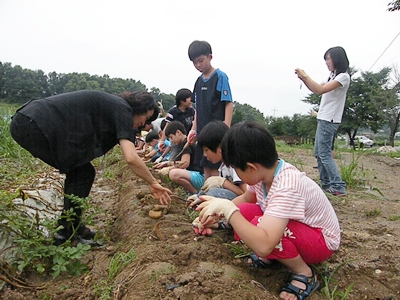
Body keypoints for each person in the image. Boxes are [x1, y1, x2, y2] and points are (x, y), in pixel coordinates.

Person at [195, 121, 340, 300]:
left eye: (236, 169)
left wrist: (230, 211)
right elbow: (246, 200)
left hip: (321, 241)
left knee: (259, 226)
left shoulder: (286, 185)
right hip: (298, 229)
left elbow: (264, 245)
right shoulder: (265, 175)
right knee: (246, 211)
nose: (236, 174)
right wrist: (217, 213)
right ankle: (276, 255)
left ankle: (305, 274)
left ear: (251, 167)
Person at [9, 90, 172, 246]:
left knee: (81, 172)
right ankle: (66, 233)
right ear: (140, 108)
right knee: (82, 174)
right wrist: (152, 182)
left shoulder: (114, 107)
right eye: (146, 117)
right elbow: (131, 157)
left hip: (29, 120)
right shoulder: (123, 109)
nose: (143, 124)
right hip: (33, 123)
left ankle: (71, 227)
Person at [295, 46, 350, 197]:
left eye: (328, 58)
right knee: (319, 153)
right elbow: (316, 88)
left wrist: (305, 76)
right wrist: (303, 79)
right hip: (324, 118)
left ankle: (338, 185)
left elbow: (320, 90)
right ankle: (326, 184)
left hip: (329, 119)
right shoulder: (332, 76)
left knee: (324, 154)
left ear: (337, 59)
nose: (326, 62)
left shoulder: (343, 77)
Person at [187, 40, 234, 180]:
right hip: (202, 132)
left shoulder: (220, 77)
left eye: (201, 60)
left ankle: (216, 195)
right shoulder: (198, 81)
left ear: (210, 57)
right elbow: (197, 109)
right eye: (195, 62)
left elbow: (228, 103)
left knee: (216, 168)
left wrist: (226, 126)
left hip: (216, 131)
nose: (198, 65)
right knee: (205, 165)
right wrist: (193, 129)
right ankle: (205, 194)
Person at [189, 120, 247, 203]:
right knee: (208, 190)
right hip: (230, 198)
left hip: (239, 202)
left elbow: (244, 193)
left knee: (213, 193)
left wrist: (223, 182)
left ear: (220, 147)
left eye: (206, 150)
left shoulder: (234, 165)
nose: (205, 154)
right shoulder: (222, 167)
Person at [154, 121, 203, 194]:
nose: (171, 140)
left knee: (173, 174)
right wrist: (167, 163)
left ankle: (194, 192)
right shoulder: (184, 143)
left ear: (178, 132)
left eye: (171, 137)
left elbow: (184, 163)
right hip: (195, 174)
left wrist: (168, 169)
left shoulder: (186, 143)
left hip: (199, 176)